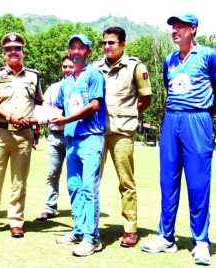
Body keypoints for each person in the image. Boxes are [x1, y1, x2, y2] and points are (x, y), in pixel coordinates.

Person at [140, 13, 216, 266]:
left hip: (198, 120)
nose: (175, 30)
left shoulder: (208, 55)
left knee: (198, 184)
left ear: (193, 29)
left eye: (180, 26)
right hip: (171, 120)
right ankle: (166, 237)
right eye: (173, 26)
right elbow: (167, 85)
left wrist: (204, 113)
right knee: (168, 181)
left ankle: (201, 242)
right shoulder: (169, 59)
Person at [0, 32, 43, 238]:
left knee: (19, 181)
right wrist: (10, 116)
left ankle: (16, 222)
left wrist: (42, 123)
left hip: (24, 135)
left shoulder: (33, 76)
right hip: (0, 132)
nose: (13, 52)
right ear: (4, 53)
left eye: (17, 48)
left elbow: (39, 103)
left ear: (22, 52)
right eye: (9, 49)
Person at [93, 26, 152, 247]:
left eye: (112, 42)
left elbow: (146, 99)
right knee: (91, 180)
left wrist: (129, 113)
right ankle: (90, 224)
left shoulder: (135, 66)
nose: (107, 46)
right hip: (97, 131)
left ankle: (129, 229)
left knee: (126, 182)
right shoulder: (95, 67)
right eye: (104, 43)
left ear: (122, 44)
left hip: (122, 131)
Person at [52, 34, 106, 257]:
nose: (75, 51)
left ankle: (92, 238)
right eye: (72, 48)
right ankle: (78, 230)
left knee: (88, 188)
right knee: (74, 187)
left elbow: (94, 106)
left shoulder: (94, 75)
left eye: (80, 48)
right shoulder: (65, 82)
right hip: (71, 139)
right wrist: (37, 117)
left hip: (91, 137)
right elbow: (56, 109)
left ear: (88, 52)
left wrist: (65, 120)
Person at [36, 54, 73, 221]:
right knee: (52, 174)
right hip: (54, 136)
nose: (67, 70)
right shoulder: (53, 88)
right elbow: (45, 111)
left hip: (73, 137)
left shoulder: (82, 87)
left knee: (74, 176)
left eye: (70, 66)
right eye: (65, 66)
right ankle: (50, 208)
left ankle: (77, 209)